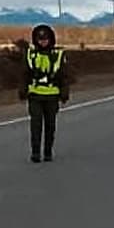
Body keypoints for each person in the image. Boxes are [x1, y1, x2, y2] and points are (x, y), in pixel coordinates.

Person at [19, 24, 70, 163]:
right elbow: (24, 74)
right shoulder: (30, 54)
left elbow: (64, 76)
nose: (43, 41)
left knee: (50, 125)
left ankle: (48, 151)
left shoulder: (58, 55)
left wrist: (64, 92)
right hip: (35, 95)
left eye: (45, 39)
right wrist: (22, 90)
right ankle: (35, 152)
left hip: (52, 95)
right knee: (35, 125)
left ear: (50, 39)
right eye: (40, 39)